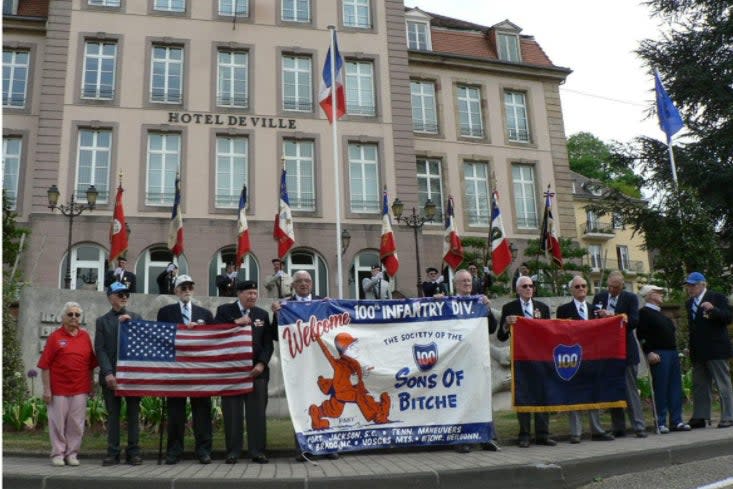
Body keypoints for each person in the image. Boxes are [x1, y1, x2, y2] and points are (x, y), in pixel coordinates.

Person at [271, 270, 339, 462]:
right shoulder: (285, 305)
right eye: (299, 281)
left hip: (321, 364)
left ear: (312, 283)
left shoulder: (323, 302)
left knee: (326, 403)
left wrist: (332, 307)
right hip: (298, 365)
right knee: (301, 406)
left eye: (307, 280)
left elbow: (336, 330)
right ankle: (303, 448)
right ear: (293, 285)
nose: (303, 284)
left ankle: (328, 446)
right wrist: (277, 315)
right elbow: (276, 336)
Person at [156, 274, 215, 464]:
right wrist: (182, 330)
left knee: (202, 413)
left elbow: (213, 341)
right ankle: (174, 451)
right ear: (176, 291)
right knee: (175, 413)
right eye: (183, 287)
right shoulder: (165, 312)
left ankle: (204, 451)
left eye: (190, 287)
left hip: (199, 371)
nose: (187, 290)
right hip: (176, 370)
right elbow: (161, 339)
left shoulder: (205, 314)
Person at [214, 280, 274, 464]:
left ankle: (257, 451)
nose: (253, 296)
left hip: (257, 372)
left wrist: (262, 364)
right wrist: (234, 323)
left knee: (256, 414)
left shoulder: (262, 314)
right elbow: (214, 333)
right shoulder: (224, 311)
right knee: (233, 414)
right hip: (232, 372)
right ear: (239, 294)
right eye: (249, 293)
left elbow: (267, 344)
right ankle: (233, 451)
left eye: (255, 293)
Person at [497, 276, 556, 448]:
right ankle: (524, 435)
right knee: (523, 396)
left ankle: (543, 434)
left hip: (541, 358)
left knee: (542, 395)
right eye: (524, 286)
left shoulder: (542, 308)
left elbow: (550, 333)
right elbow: (501, 337)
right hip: (521, 359)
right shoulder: (509, 308)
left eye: (531, 285)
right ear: (517, 289)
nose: (529, 288)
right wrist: (507, 325)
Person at [556, 276, 615, 443]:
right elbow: (560, 333)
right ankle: (576, 433)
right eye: (577, 286)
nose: (581, 288)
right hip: (573, 357)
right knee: (573, 393)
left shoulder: (596, 310)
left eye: (583, 285)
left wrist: (609, 317)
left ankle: (597, 430)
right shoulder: (563, 310)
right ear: (571, 290)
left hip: (592, 358)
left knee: (593, 393)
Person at [37, 302, 97, 467]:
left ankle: (72, 454)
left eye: (77, 315)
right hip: (59, 389)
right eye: (70, 314)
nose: (74, 317)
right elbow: (45, 365)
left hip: (80, 388)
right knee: (58, 423)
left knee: (76, 424)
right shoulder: (55, 337)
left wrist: (91, 385)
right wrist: (47, 389)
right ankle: (58, 453)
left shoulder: (85, 336)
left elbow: (91, 364)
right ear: (63, 317)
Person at [591, 270, 647, 438]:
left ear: (622, 286)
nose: (612, 290)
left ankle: (639, 425)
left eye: (615, 287)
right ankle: (618, 427)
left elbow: (634, 321)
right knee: (613, 389)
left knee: (630, 389)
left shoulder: (630, 298)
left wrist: (614, 316)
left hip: (626, 350)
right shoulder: (600, 297)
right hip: (607, 351)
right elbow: (593, 321)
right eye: (609, 287)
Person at [95, 282, 144, 466]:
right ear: (110, 297)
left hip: (132, 376)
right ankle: (112, 452)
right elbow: (100, 349)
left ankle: (133, 452)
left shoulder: (136, 318)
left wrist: (132, 326)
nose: (124, 297)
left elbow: (142, 346)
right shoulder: (102, 321)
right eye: (120, 294)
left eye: (126, 294)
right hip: (111, 377)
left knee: (133, 415)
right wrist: (107, 373)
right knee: (113, 415)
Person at [453, 269, 500, 453]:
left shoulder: (479, 302)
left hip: (478, 359)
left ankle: (486, 437)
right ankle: (462, 439)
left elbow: (492, 329)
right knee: (461, 400)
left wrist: (487, 309)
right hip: (457, 360)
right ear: (456, 284)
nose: (467, 283)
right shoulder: (450, 303)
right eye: (463, 281)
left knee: (482, 398)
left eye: (469, 280)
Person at [636, 284, 691, 433]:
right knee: (661, 388)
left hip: (671, 353)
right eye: (658, 292)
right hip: (659, 354)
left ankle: (676, 420)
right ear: (650, 295)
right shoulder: (644, 313)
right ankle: (660, 421)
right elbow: (641, 335)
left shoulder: (661, 314)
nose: (662, 294)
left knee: (675, 387)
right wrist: (649, 352)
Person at [683, 272, 733, 429]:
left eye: (693, 285)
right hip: (698, 351)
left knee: (722, 383)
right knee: (700, 385)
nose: (690, 289)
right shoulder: (689, 303)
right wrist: (689, 347)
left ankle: (728, 416)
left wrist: (714, 309)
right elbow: (693, 328)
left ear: (703, 284)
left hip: (716, 349)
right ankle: (701, 416)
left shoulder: (717, 297)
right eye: (688, 286)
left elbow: (728, 317)